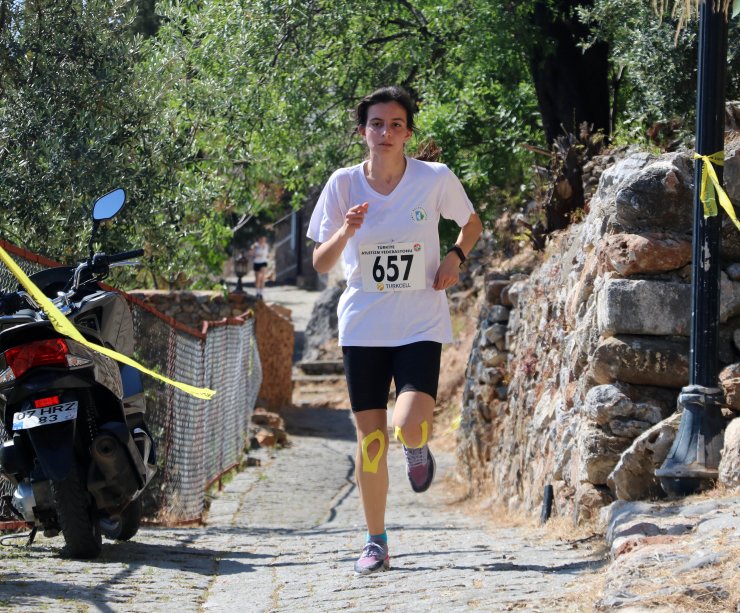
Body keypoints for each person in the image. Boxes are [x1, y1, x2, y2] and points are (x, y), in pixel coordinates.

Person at [307, 86, 483, 575]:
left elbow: (472, 224)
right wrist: (346, 230)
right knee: (371, 442)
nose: (386, 133)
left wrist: (455, 256)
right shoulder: (342, 184)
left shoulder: (434, 178)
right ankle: (376, 541)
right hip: (363, 325)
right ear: (363, 131)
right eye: (377, 124)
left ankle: (419, 446)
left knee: (406, 425)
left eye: (396, 125)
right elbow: (321, 263)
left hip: (419, 321)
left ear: (409, 132)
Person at [249, 235, 270, 299]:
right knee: (257, 279)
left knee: (262, 278)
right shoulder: (256, 246)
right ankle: (257, 292)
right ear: (259, 239)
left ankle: (261, 293)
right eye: (261, 239)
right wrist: (255, 254)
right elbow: (250, 253)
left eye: (264, 239)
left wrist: (268, 256)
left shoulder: (266, 246)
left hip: (263, 262)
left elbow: (267, 254)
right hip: (257, 263)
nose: (262, 241)